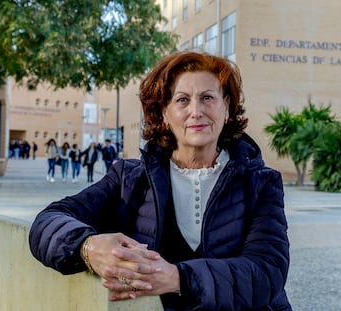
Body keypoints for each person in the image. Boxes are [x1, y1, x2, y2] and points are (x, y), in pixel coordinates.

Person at [29, 51, 291, 310]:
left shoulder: (261, 183)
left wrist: (178, 278)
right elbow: (47, 222)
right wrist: (88, 248)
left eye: (208, 98)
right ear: (165, 113)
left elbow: (268, 271)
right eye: (182, 100)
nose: (196, 111)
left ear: (228, 109)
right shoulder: (129, 179)